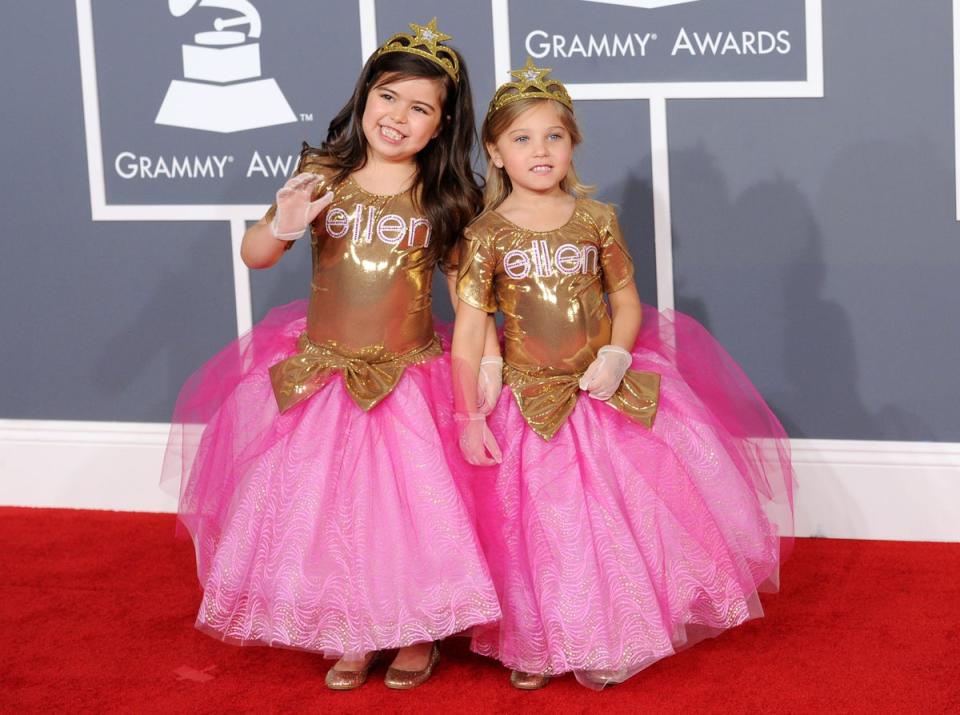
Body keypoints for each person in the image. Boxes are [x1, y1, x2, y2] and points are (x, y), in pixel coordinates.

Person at [162, 19, 501, 691]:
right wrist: (282, 223)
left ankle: (413, 631)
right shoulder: (323, 174)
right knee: (329, 515)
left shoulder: (447, 196)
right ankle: (350, 627)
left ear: (440, 125)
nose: (398, 117)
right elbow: (256, 253)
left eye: (420, 107)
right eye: (388, 96)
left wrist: (484, 364)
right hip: (323, 374)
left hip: (407, 377)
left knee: (407, 516)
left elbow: (471, 297)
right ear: (364, 97)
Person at [451, 59, 795, 690]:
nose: (540, 150)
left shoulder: (597, 219)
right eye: (522, 139)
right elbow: (471, 328)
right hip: (526, 399)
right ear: (496, 154)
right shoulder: (485, 234)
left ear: (572, 144)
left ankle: (609, 631)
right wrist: (470, 410)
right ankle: (539, 639)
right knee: (539, 527)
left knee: (608, 521)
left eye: (554, 135)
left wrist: (616, 353)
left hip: (598, 392)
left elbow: (627, 298)